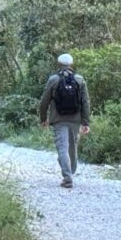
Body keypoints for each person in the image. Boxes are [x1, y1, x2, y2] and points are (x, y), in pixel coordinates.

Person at [38, 53, 91, 188]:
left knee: (62, 147)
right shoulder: (80, 80)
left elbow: (44, 101)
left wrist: (43, 118)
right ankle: (70, 172)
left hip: (58, 119)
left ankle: (67, 177)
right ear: (71, 64)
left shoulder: (53, 79)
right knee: (72, 148)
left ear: (59, 64)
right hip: (75, 119)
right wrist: (85, 122)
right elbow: (85, 102)